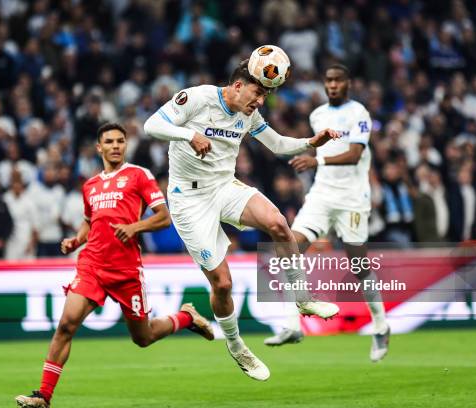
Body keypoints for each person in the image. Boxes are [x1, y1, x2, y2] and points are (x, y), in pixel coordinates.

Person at [144, 59, 341, 381]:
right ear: (238, 85)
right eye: (258, 93)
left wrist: (309, 142)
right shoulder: (198, 97)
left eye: (264, 96)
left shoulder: (249, 115)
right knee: (222, 284)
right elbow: (152, 125)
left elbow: (277, 144)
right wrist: (187, 135)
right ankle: (237, 347)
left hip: (224, 186)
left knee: (278, 223)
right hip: (189, 201)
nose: (260, 102)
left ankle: (303, 298)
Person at [15, 123, 213, 408]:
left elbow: (163, 217)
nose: (116, 145)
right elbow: (89, 219)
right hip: (92, 265)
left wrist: (134, 227)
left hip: (126, 270)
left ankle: (186, 318)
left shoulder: (139, 176)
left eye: (120, 141)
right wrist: (76, 240)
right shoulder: (90, 185)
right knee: (66, 325)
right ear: (99, 148)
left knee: (143, 338)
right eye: (109, 141)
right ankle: (43, 396)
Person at [265, 64, 390, 362]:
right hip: (322, 195)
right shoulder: (317, 115)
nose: (332, 85)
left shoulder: (359, 113)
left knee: (358, 264)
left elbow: (355, 154)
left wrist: (316, 161)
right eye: (328, 81)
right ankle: (293, 326)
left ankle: (381, 326)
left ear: (348, 83)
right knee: (288, 246)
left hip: (352, 198)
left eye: (337, 80)